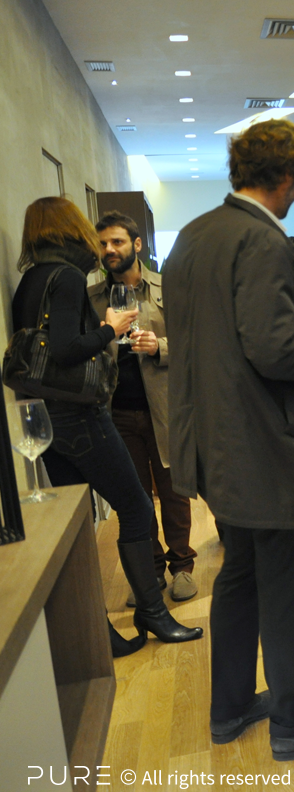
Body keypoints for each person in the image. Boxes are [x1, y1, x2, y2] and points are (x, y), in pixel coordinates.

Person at [163, 119, 294, 760]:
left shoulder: (195, 234)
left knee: (241, 576)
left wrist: (290, 320)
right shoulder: (262, 240)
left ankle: (230, 707)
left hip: (215, 443)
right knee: (290, 587)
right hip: (267, 446)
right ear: (286, 177)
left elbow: (220, 332)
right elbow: (274, 352)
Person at [11, 197, 202, 652]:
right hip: (79, 415)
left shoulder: (29, 281)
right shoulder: (68, 277)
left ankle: (96, 632)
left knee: (78, 522)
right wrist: (110, 330)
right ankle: (153, 613)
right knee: (136, 506)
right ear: (69, 227)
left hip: (46, 417)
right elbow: (65, 351)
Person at [89, 211, 197, 606]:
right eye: (103, 243)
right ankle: (150, 571)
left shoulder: (169, 288)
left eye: (117, 241)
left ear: (136, 244)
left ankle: (182, 566)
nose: (109, 249)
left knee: (174, 489)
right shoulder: (92, 298)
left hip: (165, 407)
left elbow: (197, 343)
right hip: (115, 410)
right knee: (134, 495)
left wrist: (159, 347)